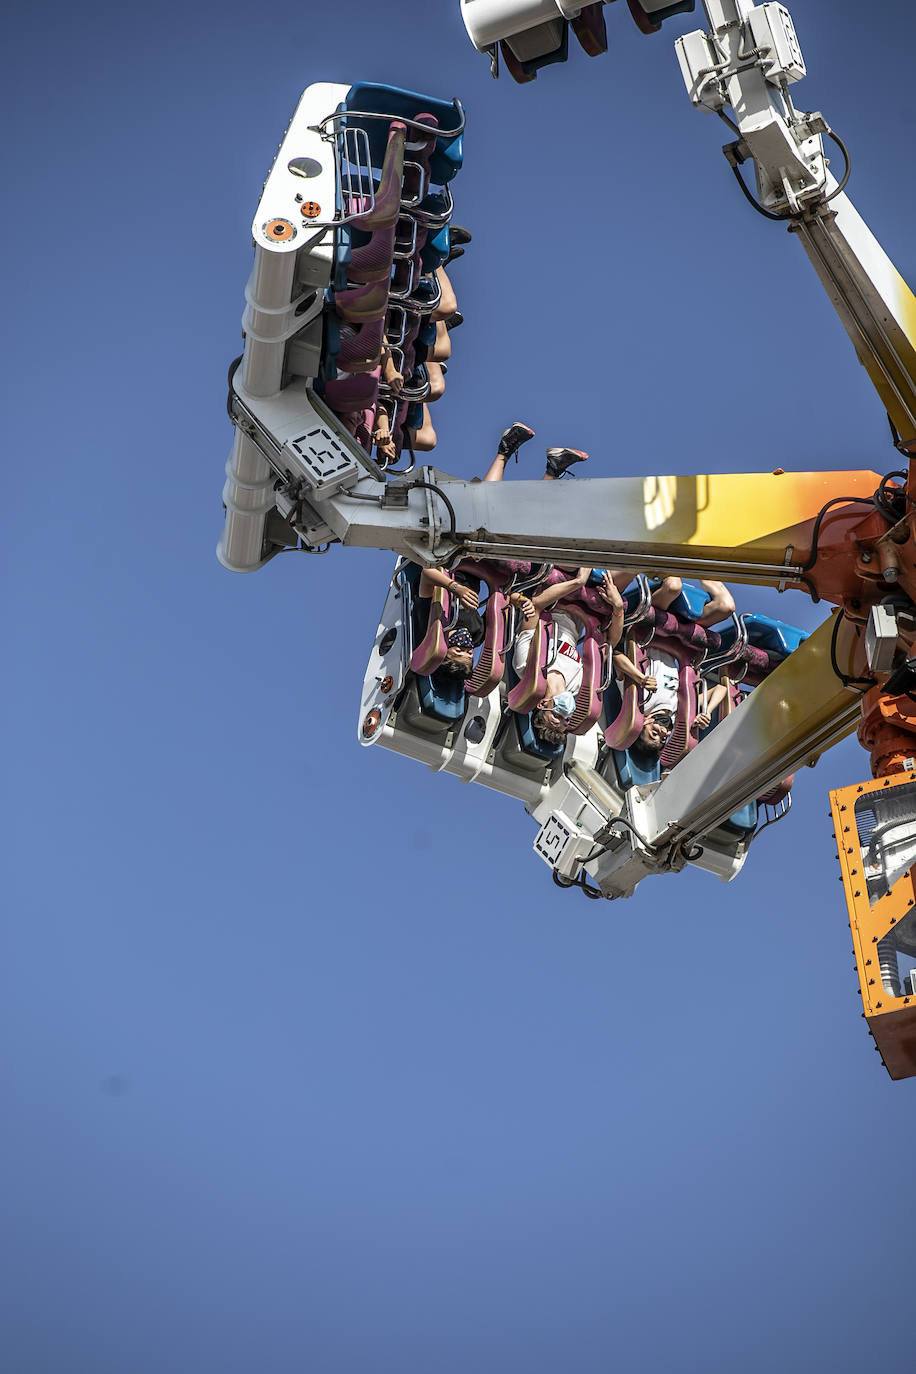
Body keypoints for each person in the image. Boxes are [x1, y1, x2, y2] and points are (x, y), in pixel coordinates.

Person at [511, 567, 624, 745]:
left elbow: (536, 606)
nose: (566, 713)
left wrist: (578, 582)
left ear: (542, 705)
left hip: (556, 593)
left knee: (577, 562)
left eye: (557, 715)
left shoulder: (526, 668)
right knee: (632, 570)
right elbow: (608, 644)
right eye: (567, 719)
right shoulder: (578, 685)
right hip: (586, 608)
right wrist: (618, 608)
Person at [612, 643, 730, 763]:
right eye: (664, 738)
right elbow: (721, 689)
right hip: (679, 643)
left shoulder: (638, 704)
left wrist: (640, 679)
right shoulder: (677, 713)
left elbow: (616, 656)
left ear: (644, 722)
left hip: (651, 637)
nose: (664, 731)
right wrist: (707, 711)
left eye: (654, 733)